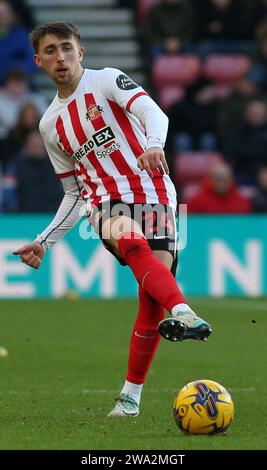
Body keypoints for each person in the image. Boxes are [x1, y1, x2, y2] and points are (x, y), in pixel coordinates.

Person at [13, 22, 212, 417]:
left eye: (66, 48)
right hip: (103, 201)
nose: (60, 57)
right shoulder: (49, 124)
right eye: (50, 51)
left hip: (156, 193)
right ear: (39, 61)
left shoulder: (106, 82)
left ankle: (130, 399)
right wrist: (45, 240)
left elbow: (152, 112)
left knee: (150, 299)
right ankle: (184, 310)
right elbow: (73, 191)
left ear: (80, 52)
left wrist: (154, 145)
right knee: (129, 237)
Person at [186, 162, 252, 214]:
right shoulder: (196, 201)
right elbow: (183, 225)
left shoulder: (243, 203)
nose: (221, 183)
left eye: (225, 179)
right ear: (211, 180)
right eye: (218, 178)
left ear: (231, 180)